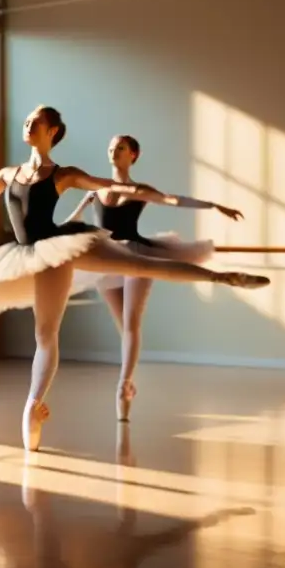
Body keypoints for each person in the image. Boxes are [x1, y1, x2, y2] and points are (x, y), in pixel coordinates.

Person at [0, 106, 270, 452]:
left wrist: (200, 203)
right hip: (30, 251)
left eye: (36, 121)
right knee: (44, 333)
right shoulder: (8, 174)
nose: (28, 124)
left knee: (143, 267)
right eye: (27, 120)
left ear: (52, 131)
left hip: (59, 246)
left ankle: (224, 277)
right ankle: (34, 407)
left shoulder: (63, 174)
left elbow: (123, 189)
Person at [62, 134, 245, 421]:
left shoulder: (139, 190)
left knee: (132, 323)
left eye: (120, 148)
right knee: (124, 327)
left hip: (137, 256)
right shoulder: (95, 188)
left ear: (133, 155)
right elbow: (71, 220)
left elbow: (173, 199)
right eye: (110, 147)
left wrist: (213, 205)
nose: (113, 151)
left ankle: (122, 387)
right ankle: (129, 383)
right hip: (107, 259)